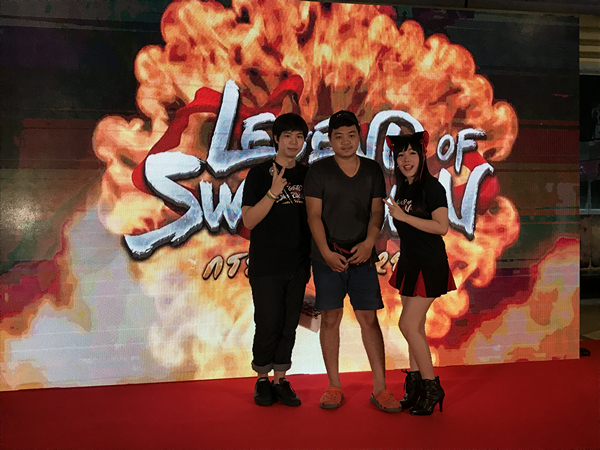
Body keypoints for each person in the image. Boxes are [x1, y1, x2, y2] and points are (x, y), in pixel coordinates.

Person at [304, 110, 402, 412]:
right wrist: (326, 252)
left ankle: (380, 388)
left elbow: (377, 212)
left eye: (350, 135)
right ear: (330, 139)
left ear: (359, 136)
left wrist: (370, 242)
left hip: (362, 256)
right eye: (338, 136)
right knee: (330, 319)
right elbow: (313, 216)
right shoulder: (318, 171)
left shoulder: (372, 170)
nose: (345, 142)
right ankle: (334, 385)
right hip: (327, 258)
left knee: (369, 319)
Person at [383, 130, 457, 415]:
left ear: (422, 155)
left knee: (408, 325)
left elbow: (441, 227)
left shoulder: (432, 187)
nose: (406, 159)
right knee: (415, 327)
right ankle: (415, 385)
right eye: (401, 154)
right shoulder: (404, 188)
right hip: (410, 263)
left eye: (412, 153)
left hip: (429, 263)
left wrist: (403, 216)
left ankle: (431, 386)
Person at [241, 113, 311, 407]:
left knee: (289, 324)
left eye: (299, 136)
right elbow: (249, 220)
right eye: (288, 136)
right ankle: (262, 379)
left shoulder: (308, 175)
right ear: (276, 139)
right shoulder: (259, 174)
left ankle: (281, 379)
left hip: (299, 264)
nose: (294, 142)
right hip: (266, 265)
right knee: (267, 323)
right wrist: (273, 192)